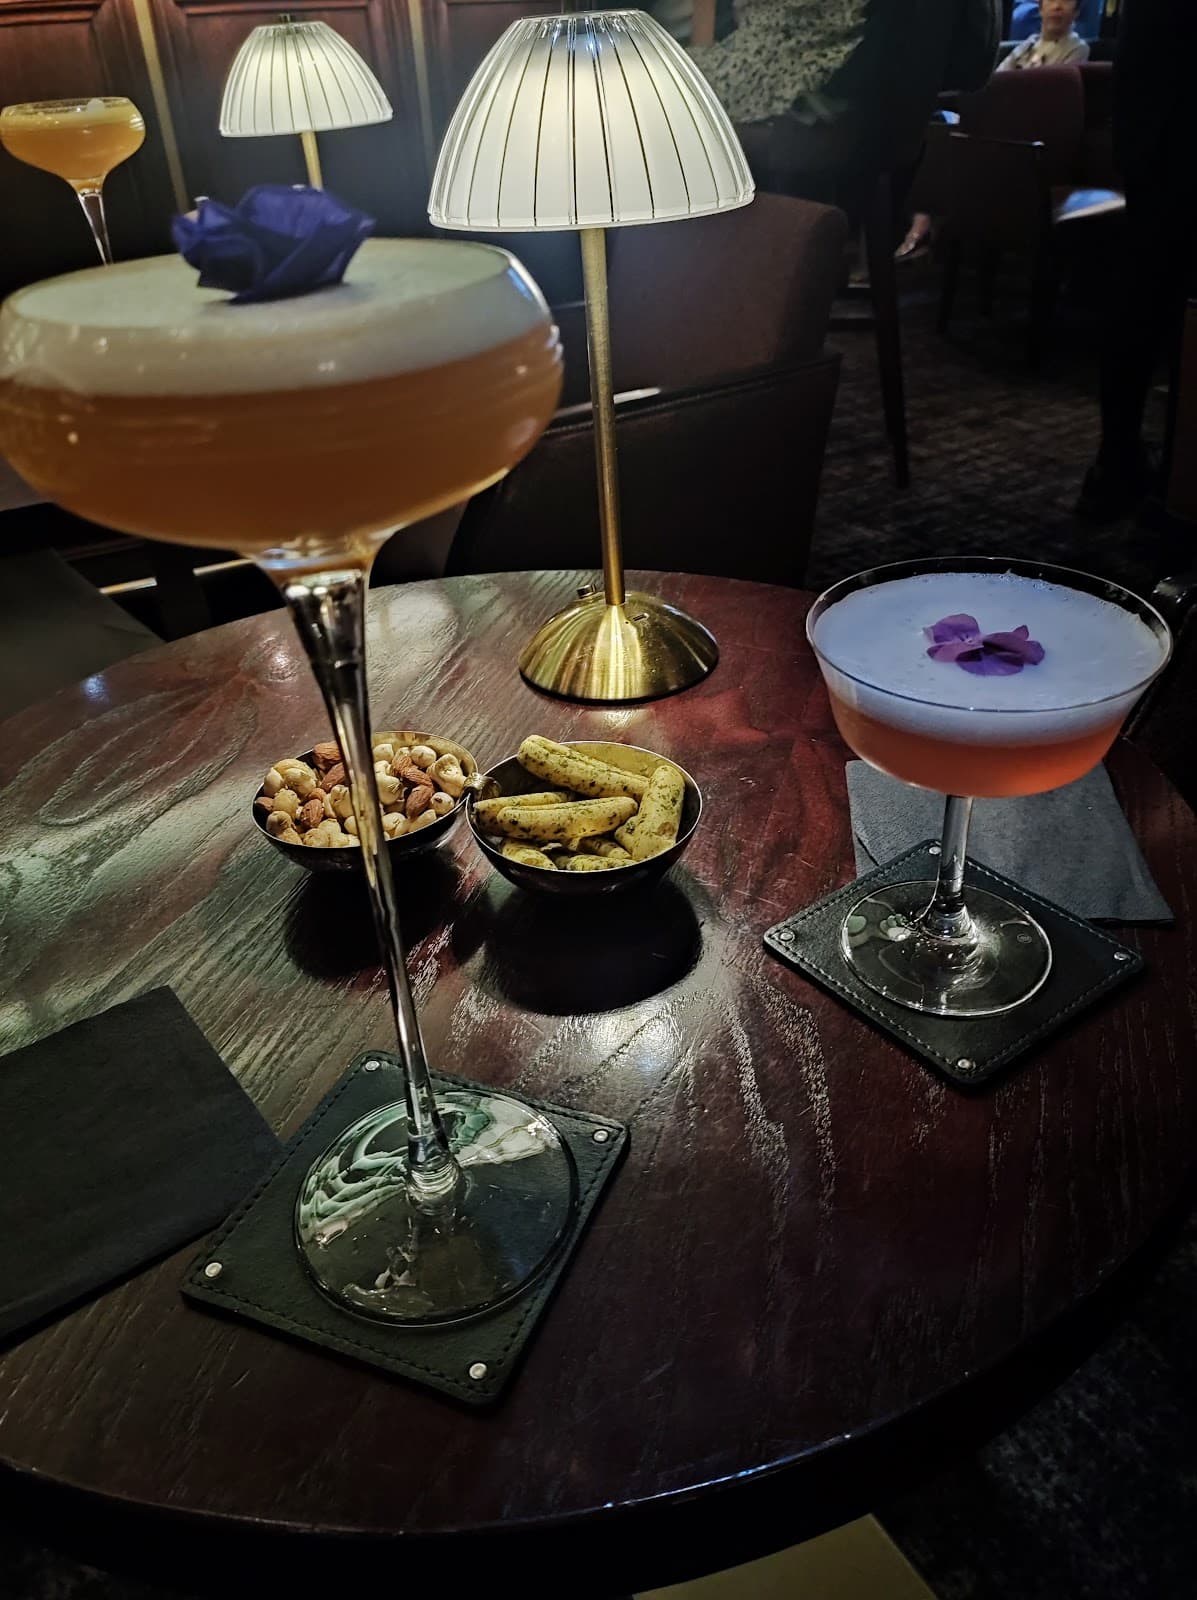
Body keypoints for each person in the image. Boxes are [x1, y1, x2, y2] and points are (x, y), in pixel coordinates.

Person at [1076, 0, 1197, 521]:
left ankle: (1123, 464)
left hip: (1152, 122)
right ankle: (1169, 481)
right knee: (1162, 303)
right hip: (1168, 122)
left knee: (1143, 293)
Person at [999, 0, 1090, 68]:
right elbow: (999, 76)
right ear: (1040, 9)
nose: (1057, 6)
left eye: (1065, 1)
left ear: (1076, 12)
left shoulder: (1077, 48)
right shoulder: (1030, 42)